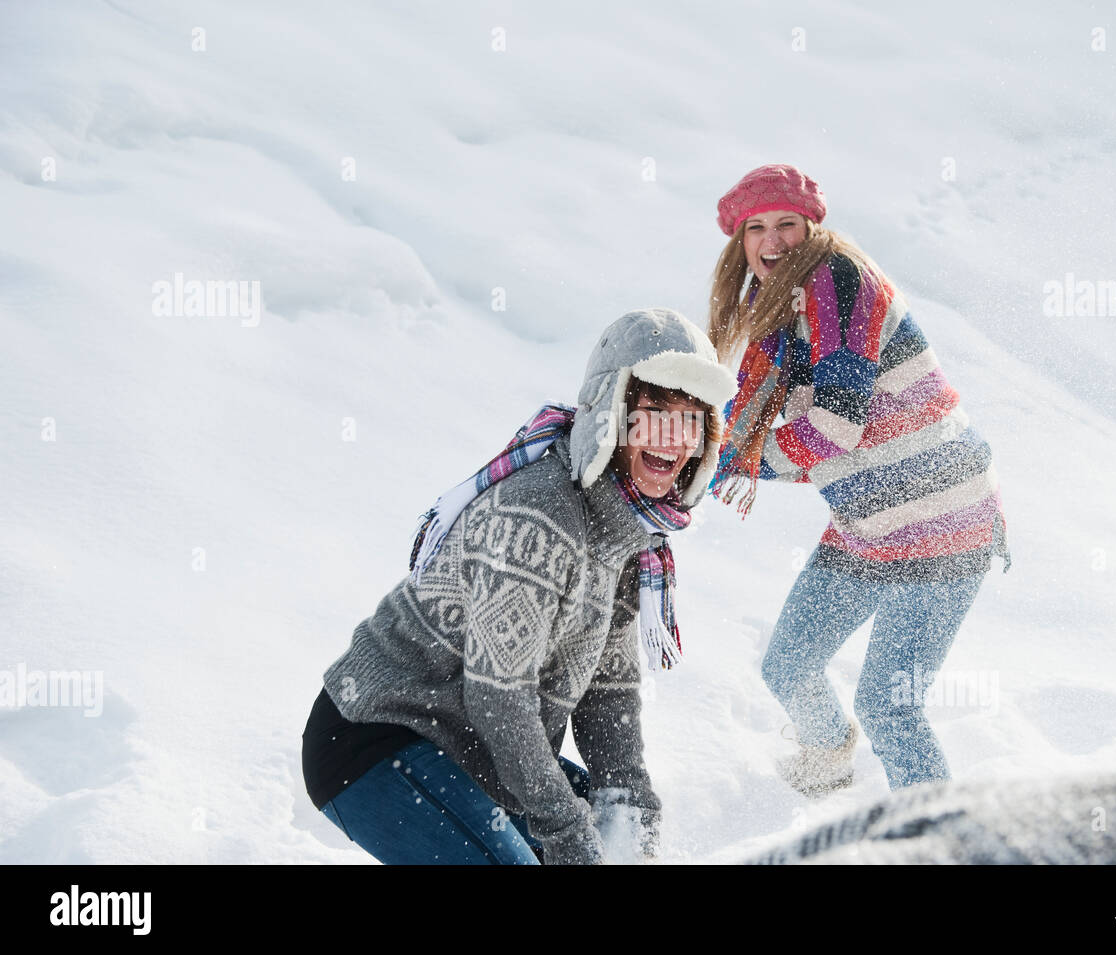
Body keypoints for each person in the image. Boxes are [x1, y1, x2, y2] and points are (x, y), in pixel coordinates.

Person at [300, 307, 735, 864]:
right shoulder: (540, 514)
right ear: (611, 415)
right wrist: (568, 833)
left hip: (476, 747)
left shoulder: (629, 535)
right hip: (380, 734)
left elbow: (608, 694)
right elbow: (498, 696)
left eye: (689, 419)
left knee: (612, 836)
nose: (671, 440)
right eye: (651, 413)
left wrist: (630, 810)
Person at [706, 163, 1011, 797]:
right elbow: (765, 431)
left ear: (812, 225)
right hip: (868, 531)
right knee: (789, 667)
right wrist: (701, 452)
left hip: (945, 528)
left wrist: (729, 459)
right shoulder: (785, 312)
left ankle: (940, 840)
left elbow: (834, 427)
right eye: (755, 228)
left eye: (786, 222)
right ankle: (828, 764)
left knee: (890, 707)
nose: (772, 240)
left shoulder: (837, 282)